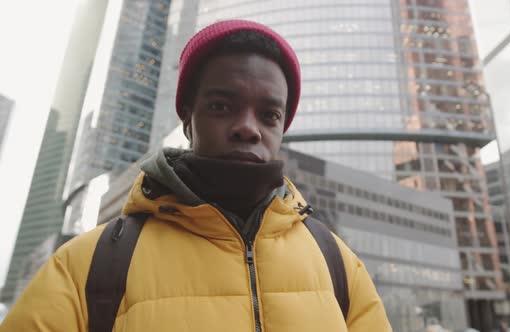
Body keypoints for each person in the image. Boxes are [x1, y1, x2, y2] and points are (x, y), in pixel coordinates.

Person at [0, 20, 391, 331]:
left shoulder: (337, 262)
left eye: (269, 115)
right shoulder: (87, 265)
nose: (248, 128)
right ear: (187, 120)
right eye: (222, 106)